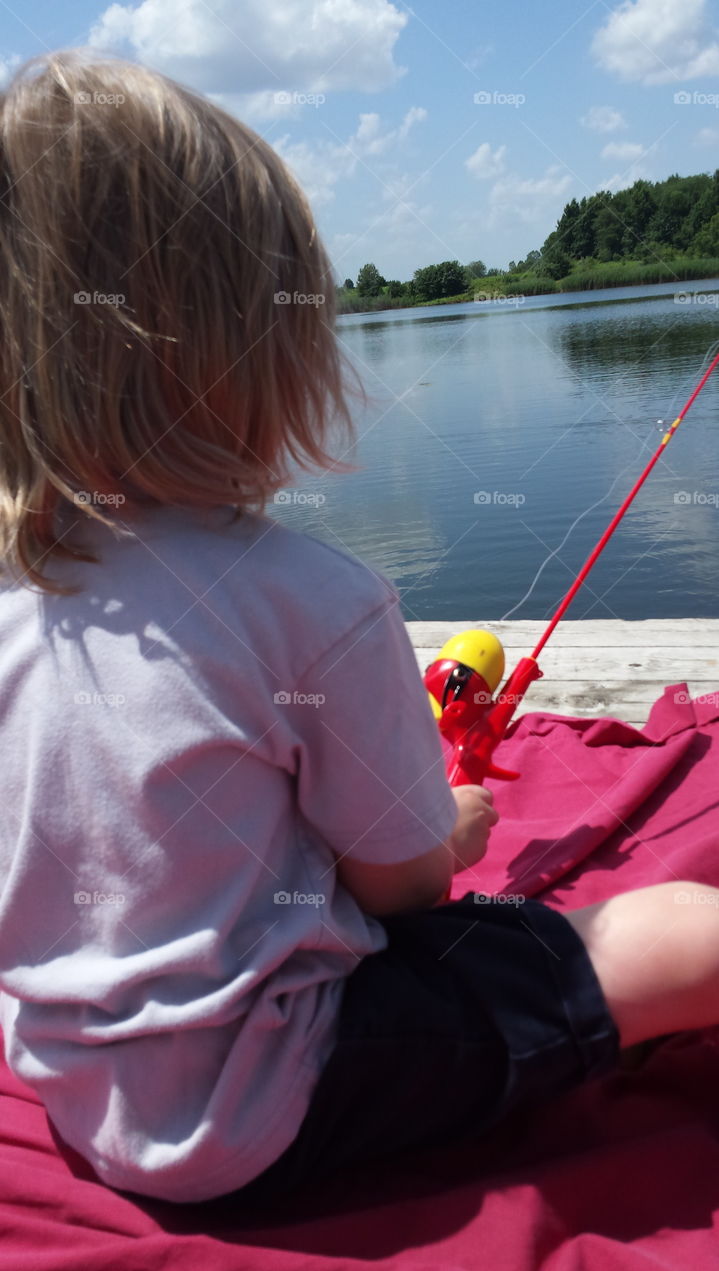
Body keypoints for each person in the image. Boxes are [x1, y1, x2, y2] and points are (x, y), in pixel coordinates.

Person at [0, 50, 717, 1212]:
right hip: (271, 1105)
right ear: (261, 356)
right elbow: (402, 892)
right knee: (675, 932)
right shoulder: (313, 602)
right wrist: (453, 830)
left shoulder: (18, 603)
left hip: (89, 1104)